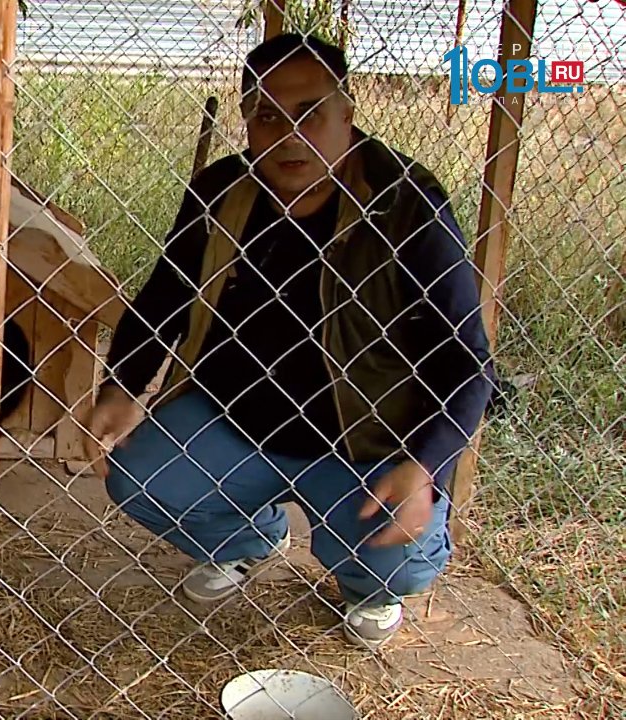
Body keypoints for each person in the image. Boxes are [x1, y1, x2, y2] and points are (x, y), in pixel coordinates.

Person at [84, 33, 496, 649]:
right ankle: (250, 539)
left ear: (346, 114)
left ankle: (370, 588)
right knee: (137, 477)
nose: (289, 135)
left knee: (397, 558)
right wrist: (121, 386)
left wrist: (422, 466)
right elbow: (165, 294)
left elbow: (467, 362)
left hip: (363, 441)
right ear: (247, 120)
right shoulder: (223, 190)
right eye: (268, 115)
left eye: (310, 113)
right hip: (237, 420)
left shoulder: (407, 205)